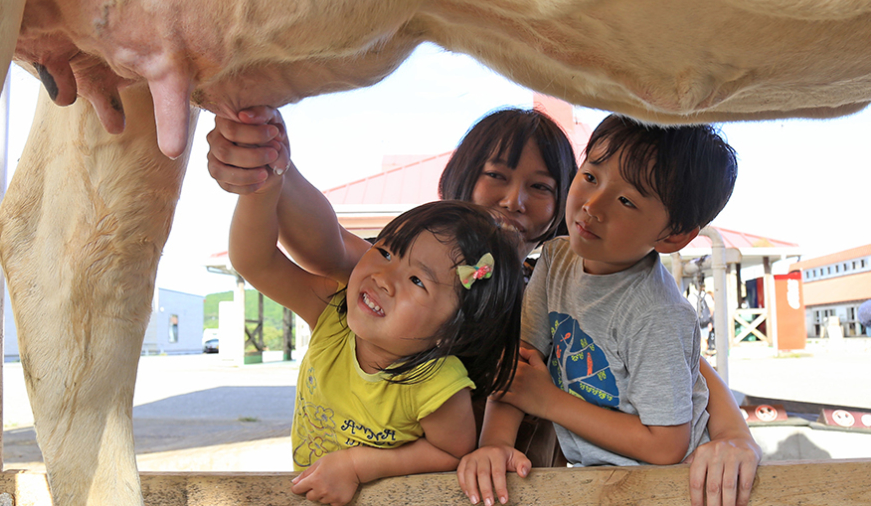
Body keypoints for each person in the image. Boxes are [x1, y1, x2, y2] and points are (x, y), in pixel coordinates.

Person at [207, 105, 762, 506]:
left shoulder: (555, 279)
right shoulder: (407, 277)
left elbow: (682, 361)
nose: (513, 199)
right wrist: (274, 164)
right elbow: (326, 248)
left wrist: (733, 436)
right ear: (461, 178)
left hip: (517, 485)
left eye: (541, 186)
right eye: (496, 176)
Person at [459, 115, 739, 503]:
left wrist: (549, 401)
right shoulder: (557, 259)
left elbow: (666, 445)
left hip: (673, 485)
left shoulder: (656, 314)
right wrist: (494, 444)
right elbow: (520, 369)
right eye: (591, 176)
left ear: (673, 236)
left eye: (626, 200)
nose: (592, 205)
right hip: (599, 477)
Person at [229, 173, 525, 505]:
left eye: (416, 280)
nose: (384, 278)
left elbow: (452, 452)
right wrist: (260, 188)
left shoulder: (437, 383)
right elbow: (254, 262)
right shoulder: (333, 315)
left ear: (455, 330)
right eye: (385, 252)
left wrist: (357, 466)